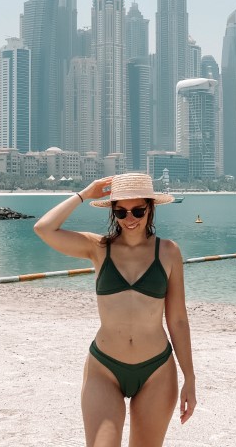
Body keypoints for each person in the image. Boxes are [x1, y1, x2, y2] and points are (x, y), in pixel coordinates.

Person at [34, 172, 196, 447]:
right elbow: (44, 228)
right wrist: (84, 193)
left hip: (156, 370)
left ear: (150, 208)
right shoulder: (98, 248)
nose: (129, 219)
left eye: (137, 210)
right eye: (120, 211)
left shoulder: (168, 252)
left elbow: (178, 320)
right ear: (113, 212)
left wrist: (189, 378)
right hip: (104, 369)